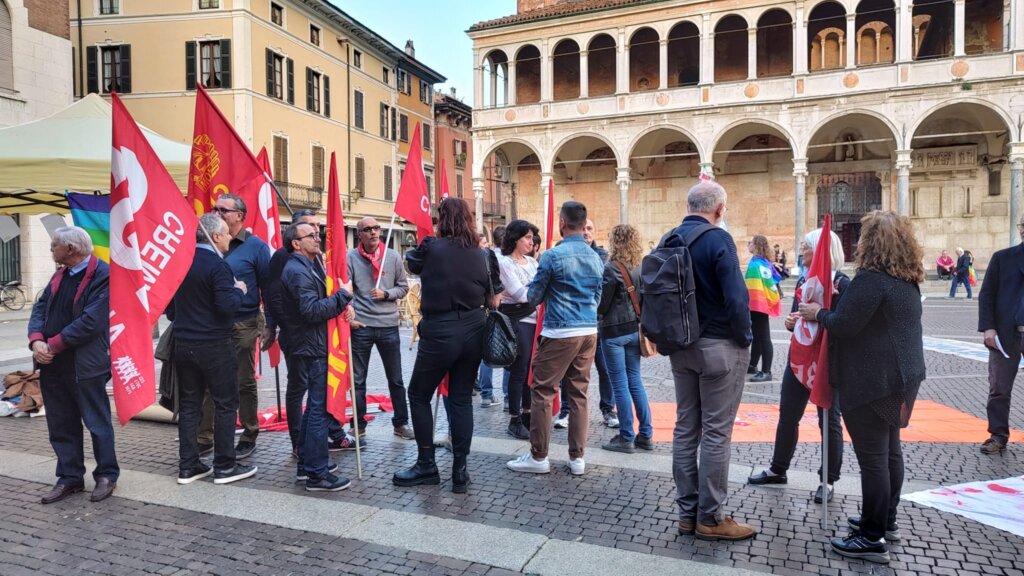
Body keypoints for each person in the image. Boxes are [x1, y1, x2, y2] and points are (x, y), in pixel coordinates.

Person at [797, 210, 925, 564]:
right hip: (903, 377)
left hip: (872, 381)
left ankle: (871, 537)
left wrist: (817, 314)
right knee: (889, 452)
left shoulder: (871, 279)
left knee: (874, 460)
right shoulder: (906, 279)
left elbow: (845, 325)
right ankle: (885, 520)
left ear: (871, 243)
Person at [665, 180, 756, 541]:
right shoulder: (719, 239)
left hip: (681, 346)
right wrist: (745, 338)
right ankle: (711, 517)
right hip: (719, 346)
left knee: (686, 429)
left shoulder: (669, 239)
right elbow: (737, 298)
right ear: (719, 209)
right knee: (717, 432)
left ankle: (688, 514)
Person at [394, 198, 502, 494]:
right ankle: (460, 470)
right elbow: (494, 298)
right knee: (461, 398)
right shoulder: (483, 255)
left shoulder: (431, 247)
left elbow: (411, 263)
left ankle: (426, 464)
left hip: (441, 328)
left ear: (442, 220)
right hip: (474, 328)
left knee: (418, 394)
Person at [748, 228, 847, 504]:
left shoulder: (842, 283)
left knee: (829, 420)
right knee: (788, 414)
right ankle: (778, 468)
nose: (801, 251)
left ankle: (828, 480)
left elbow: (844, 325)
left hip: (827, 363)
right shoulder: (805, 280)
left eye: (805, 246)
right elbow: (799, 319)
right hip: (800, 360)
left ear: (820, 250)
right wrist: (794, 322)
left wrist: (821, 314)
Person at [507, 201, 603, 476]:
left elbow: (534, 296)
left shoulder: (552, 256)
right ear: (584, 225)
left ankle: (538, 456)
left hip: (560, 330)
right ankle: (577, 458)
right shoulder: (595, 257)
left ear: (562, 223)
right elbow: (597, 296)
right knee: (579, 394)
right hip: (587, 330)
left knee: (543, 391)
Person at [28, 226, 119, 504]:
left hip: (85, 364)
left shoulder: (104, 276)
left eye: (54, 245)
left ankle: (106, 474)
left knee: (97, 422)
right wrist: (36, 342)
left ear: (70, 249)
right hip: (54, 365)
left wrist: (51, 345)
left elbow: (91, 322)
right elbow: (39, 309)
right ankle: (69, 477)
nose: (51, 249)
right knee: (60, 423)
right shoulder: (60, 274)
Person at [169, 214, 256, 486]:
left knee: (190, 405)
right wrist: (239, 290)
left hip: (183, 343)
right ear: (215, 236)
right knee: (226, 403)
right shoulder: (218, 266)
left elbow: (169, 308)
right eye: (226, 232)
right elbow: (227, 306)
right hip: (214, 344)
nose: (231, 236)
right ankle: (225, 466)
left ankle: (189, 466)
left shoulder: (180, 263)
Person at [267, 215, 355, 459]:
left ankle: (309, 459)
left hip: (312, 341)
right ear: (296, 242)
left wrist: (341, 303)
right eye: (312, 233)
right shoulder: (295, 269)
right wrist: (342, 297)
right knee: (314, 406)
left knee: (315, 406)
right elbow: (310, 309)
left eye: (318, 231)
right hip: (304, 343)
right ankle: (313, 465)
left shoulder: (311, 262)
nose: (318, 236)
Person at [197, 194, 273, 459]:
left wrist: (271, 325)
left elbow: (269, 287)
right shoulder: (208, 242)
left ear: (239, 215)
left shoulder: (256, 247)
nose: (216, 213)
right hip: (211, 323)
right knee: (207, 381)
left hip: (244, 322)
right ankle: (204, 436)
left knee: (242, 380)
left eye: (223, 210)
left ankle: (249, 433)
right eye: (214, 209)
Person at [344, 216, 412, 439]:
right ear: (359, 234)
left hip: (388, 326)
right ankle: (358, 424)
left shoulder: (391, 257)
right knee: (358, 380)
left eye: (376, 228)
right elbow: (346, 291)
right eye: (368, 229)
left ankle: (400, 423)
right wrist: (351, 316)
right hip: (361, 326)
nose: (373, 232)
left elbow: (403, 287)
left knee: (396, 378)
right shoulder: (351, 258)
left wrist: (387, 294)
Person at [597, 224, 653, 454]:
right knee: (635, 381)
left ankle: (626, 436)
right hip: (634, 331)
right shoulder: (640, 267)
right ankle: (646, 434)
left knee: (619, 383)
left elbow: (603, 304)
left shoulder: (611, 269)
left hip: (614, 332)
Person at [554, 218, 615, 429]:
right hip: (570, 322)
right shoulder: (562, 253)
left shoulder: (603, 257)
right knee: (567, 371)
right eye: (584, 228)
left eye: (590, 228)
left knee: (604, 369)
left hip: (597, 324)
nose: (587, 232)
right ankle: (566, 410)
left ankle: (608, 409)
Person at [977, 215, 1024, 455]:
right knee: (999, 387)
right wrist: (988, 327)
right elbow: (986, 295)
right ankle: (998, 435)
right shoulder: (1003, 258)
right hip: (1005, 335)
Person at [497, 220, 540, 439]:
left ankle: (527, 413)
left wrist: (533, 293)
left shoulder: (532, 263)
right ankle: (515, 418)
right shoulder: (504, 263)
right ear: (515, 239)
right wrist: (535, 293)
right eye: (527, 238)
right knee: (519, 370)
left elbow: (540, 291)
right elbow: (520, 295)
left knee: (531, 370)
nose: (531, 242)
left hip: (535, 321)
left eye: (532, 238)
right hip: (517, 321)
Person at [475, 225, 506, 407]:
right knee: (488, 354)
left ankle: (483, 391)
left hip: (478, 312)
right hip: (491, 311)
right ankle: (489, 393)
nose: (486, 246)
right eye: (483, 243)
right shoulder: (491, 258)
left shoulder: (479, 259)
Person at [746, 235, 782, 383]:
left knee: (764, 337)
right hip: (761, 303)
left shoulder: (756, 264)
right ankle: (753, 365)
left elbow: (752, 286)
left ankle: (766, 371)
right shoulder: (763, 263)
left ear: (756, 246)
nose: (748, 245)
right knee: (757, 336)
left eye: (751, 243)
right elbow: (773, 280)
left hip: (757, 304)